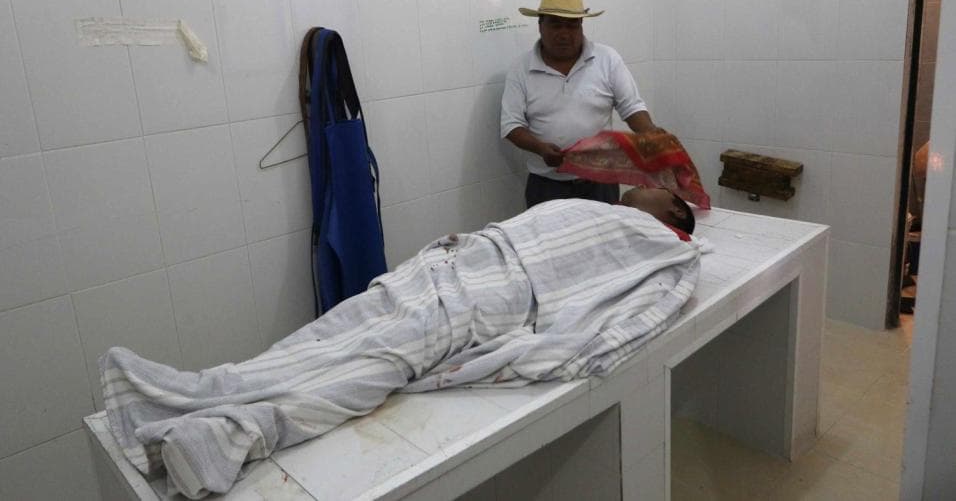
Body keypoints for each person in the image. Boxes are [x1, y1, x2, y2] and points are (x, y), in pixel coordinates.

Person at [101, 190, 698, 499]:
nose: (637, 189)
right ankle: (206, 390)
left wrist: (576, 348)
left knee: (376, 362)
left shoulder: (653, 238)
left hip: (492, 295)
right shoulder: (600, 207)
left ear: (670, 209)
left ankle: (236, 433)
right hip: (454, 264)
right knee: (334, 332)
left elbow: (645, 308)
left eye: (650, 188)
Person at [501, 0, 659, 208]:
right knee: (551, 245)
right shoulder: (521, 69)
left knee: (603, 243)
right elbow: (511, 125)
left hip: (601, 183)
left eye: (572, 25)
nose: (564, 33)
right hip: (547, 185)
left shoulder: (607, 59)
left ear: (581, 25)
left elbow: (632, 107)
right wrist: (540, 148)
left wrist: (653, 136)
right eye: (556, 24)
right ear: (540, 25)